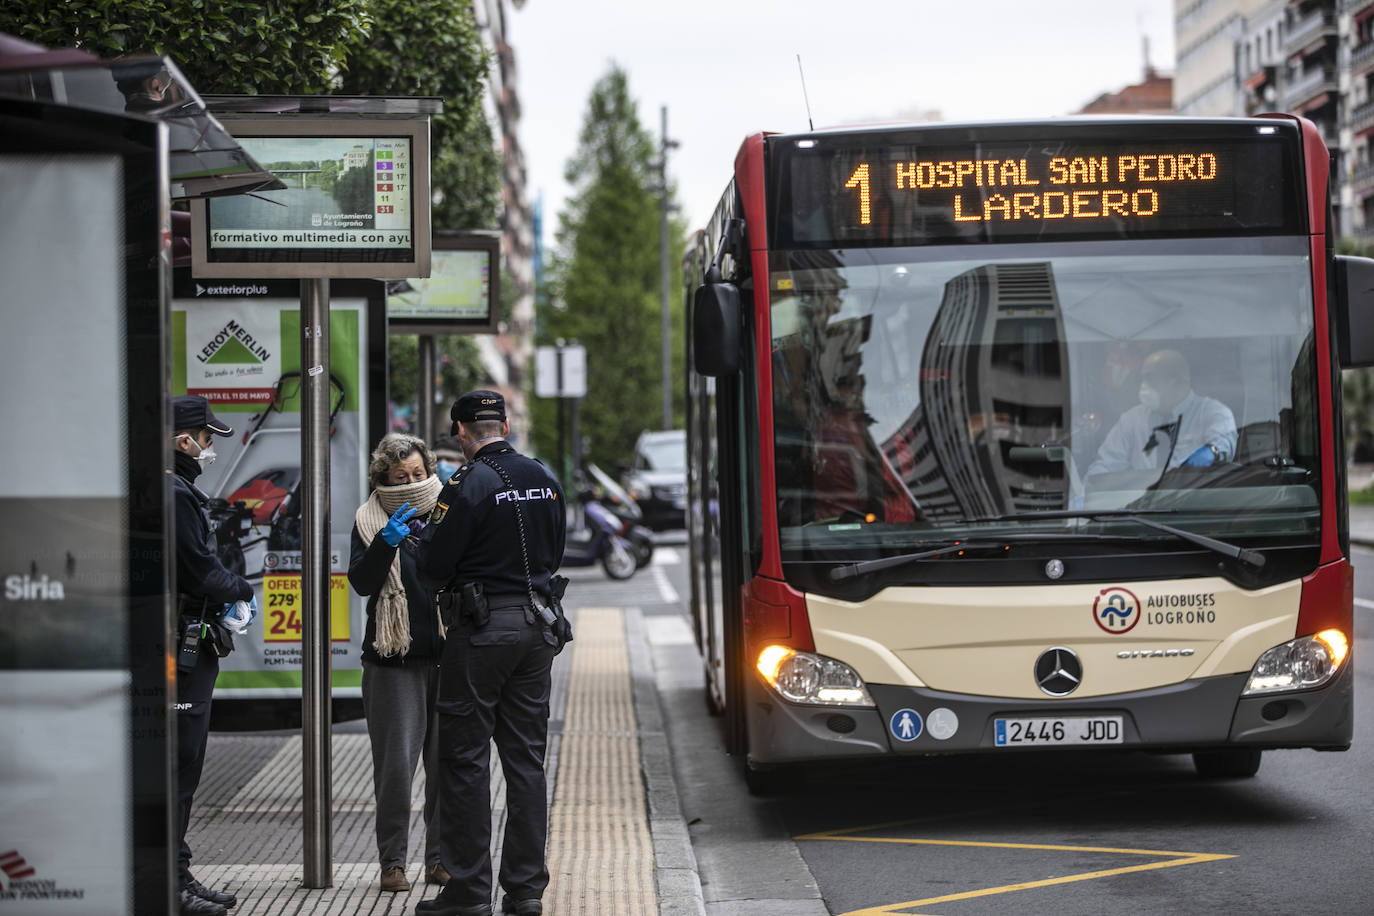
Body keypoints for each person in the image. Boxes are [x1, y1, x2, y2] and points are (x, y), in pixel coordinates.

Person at [414, 390, 568, 916]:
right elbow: (556, 550)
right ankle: (525, 892)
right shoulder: (545, 478)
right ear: (505, 424)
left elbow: (434, 565)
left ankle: (468, 891)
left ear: (461, 431)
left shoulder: (464, 483)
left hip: (481, 634)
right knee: (526, 761)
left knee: (465, 760)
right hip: (538, 629)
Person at [347, 433, 449, 893]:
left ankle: (440, 859)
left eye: (418, 474)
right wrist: (385, 544)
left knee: (448, 767)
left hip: (448, 660)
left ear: (430, 472)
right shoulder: (369, 521)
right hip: (393, 665)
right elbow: (363, 583)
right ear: (382, 480)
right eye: (399, 477)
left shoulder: (448, 513)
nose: (411, 482)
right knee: (395, 770)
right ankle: (393, 863)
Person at [170, 395, 255, 916]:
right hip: (181, 645)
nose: (208, 449)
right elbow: (199, 569)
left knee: (184, 761)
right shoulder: (175, 494)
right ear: (184, 440)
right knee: (180, 761)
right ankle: (170, 883)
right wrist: (242, 590)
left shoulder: (177, 490)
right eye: (206, 439)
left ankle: (177, 872)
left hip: (184, 640)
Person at [1084, 348, 1237, 479]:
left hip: (1193, 505)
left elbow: (1224, 442)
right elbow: (1105, 466)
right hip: (1139, 507)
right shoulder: (1132, 420)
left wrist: (1210, 452)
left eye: (1149, 378)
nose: (1143, 386)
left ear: (1176, 381)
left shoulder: (1212, 412)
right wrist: (1085, 497)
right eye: (1142, 378)